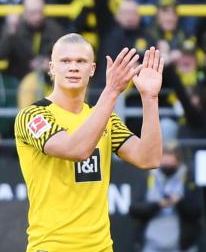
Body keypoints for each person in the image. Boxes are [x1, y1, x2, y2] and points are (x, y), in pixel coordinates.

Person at [14, 33, 164, 251]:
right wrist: (112, 91)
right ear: (52, 68)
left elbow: (149, 158)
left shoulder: (105, 118)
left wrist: (150, 99)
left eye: (81, 61)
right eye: (65, 61)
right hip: (52, 246)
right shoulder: (32, 116)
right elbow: (76, 149)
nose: (73, 67)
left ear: (92, 69)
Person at [129, 142, 202, 252]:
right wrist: (158, 205)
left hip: (181, 245)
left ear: (178, 161)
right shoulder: (149, 177)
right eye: (164, 163)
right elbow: (134, 209)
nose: (167, 166)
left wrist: (179, 202)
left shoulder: (188, 178)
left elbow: (197, 212)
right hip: (151, 244)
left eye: (171, 164)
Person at [0, 0, 64, 80]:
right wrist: (10, 32)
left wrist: (49, 64)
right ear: (24, 13)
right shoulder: (15, 29)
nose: (37, 17)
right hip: (19, 78)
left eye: (40, 12)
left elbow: (62, 55)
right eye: (33, 13)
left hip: (48, 79)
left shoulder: (54, 30)